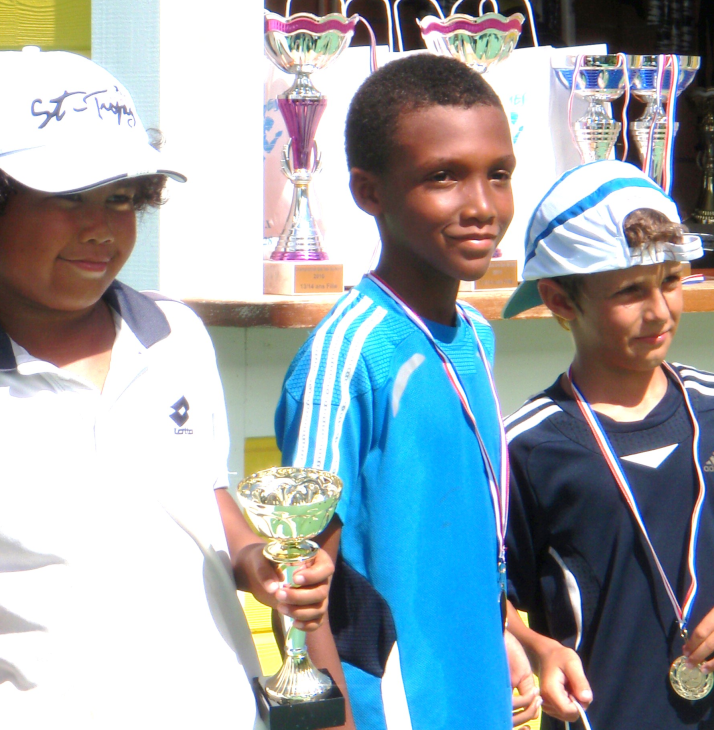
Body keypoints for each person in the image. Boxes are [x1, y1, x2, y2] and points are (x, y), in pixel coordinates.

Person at [0, 47, 335, 730]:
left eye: (120, 197)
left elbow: (203, 498)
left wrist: (256, 561)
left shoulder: (176, 335)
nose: (100, 227)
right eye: (65, 198)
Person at [274, 54, 539, 730]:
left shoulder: (475, 334)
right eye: (442, 177)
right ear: (369, 191)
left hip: (474, 699)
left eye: (498, 175)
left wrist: (507, 636)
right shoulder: (352, 354)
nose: (480, 205)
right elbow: (305, 586)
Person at [501, 160, 714, 730]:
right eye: (630, 290)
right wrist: (538, 648)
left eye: (672, 281)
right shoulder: (526, 448)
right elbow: (491, 599)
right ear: (560, 301)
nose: (659, 310)